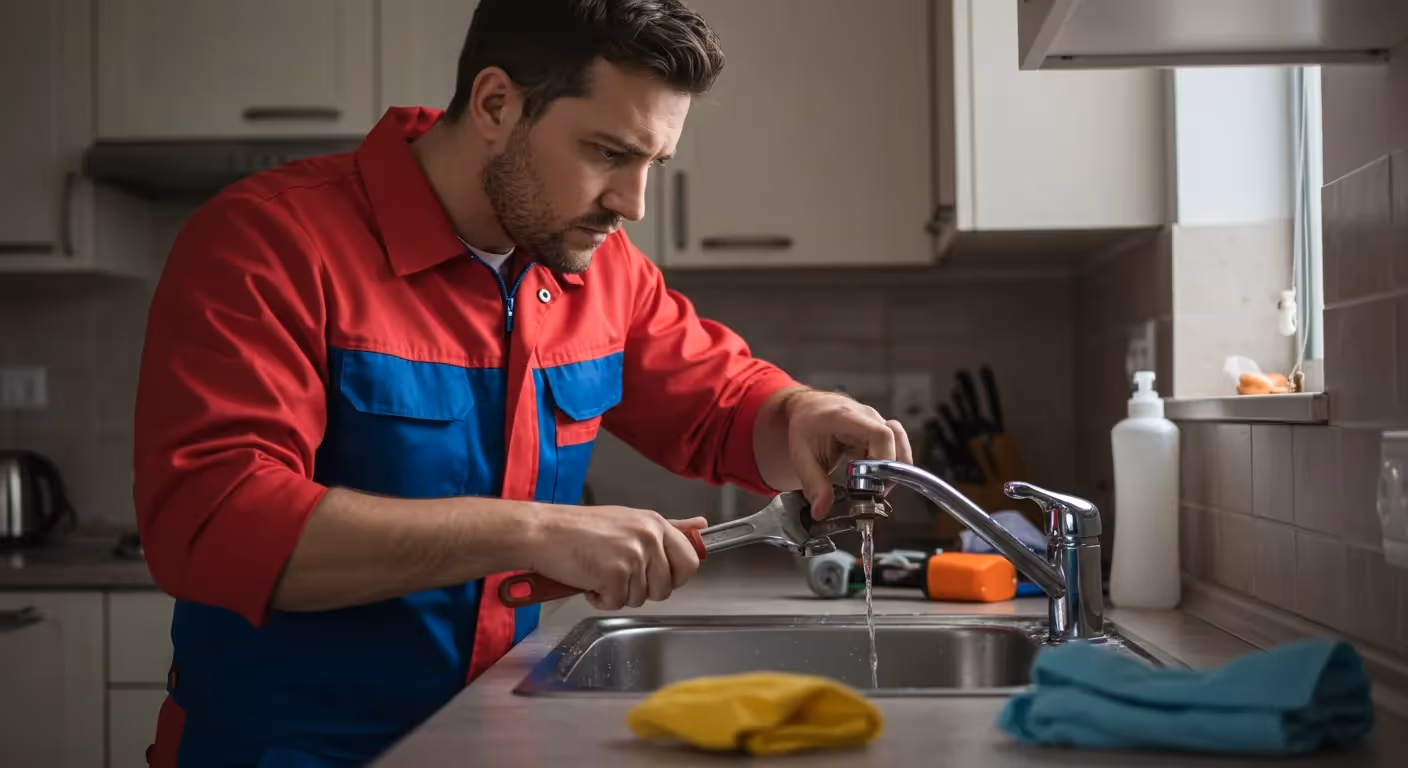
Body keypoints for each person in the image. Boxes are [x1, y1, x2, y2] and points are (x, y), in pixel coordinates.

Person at [133, 0, 912, 764]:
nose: (633, 204)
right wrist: (536, 531)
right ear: (496, 104)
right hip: (285, 751)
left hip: (494, 734)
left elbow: (722, 407)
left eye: (653, 164)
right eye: (608, 154)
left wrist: (807, 414)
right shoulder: (270, 244)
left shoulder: (599, 268)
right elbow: (214, 525)